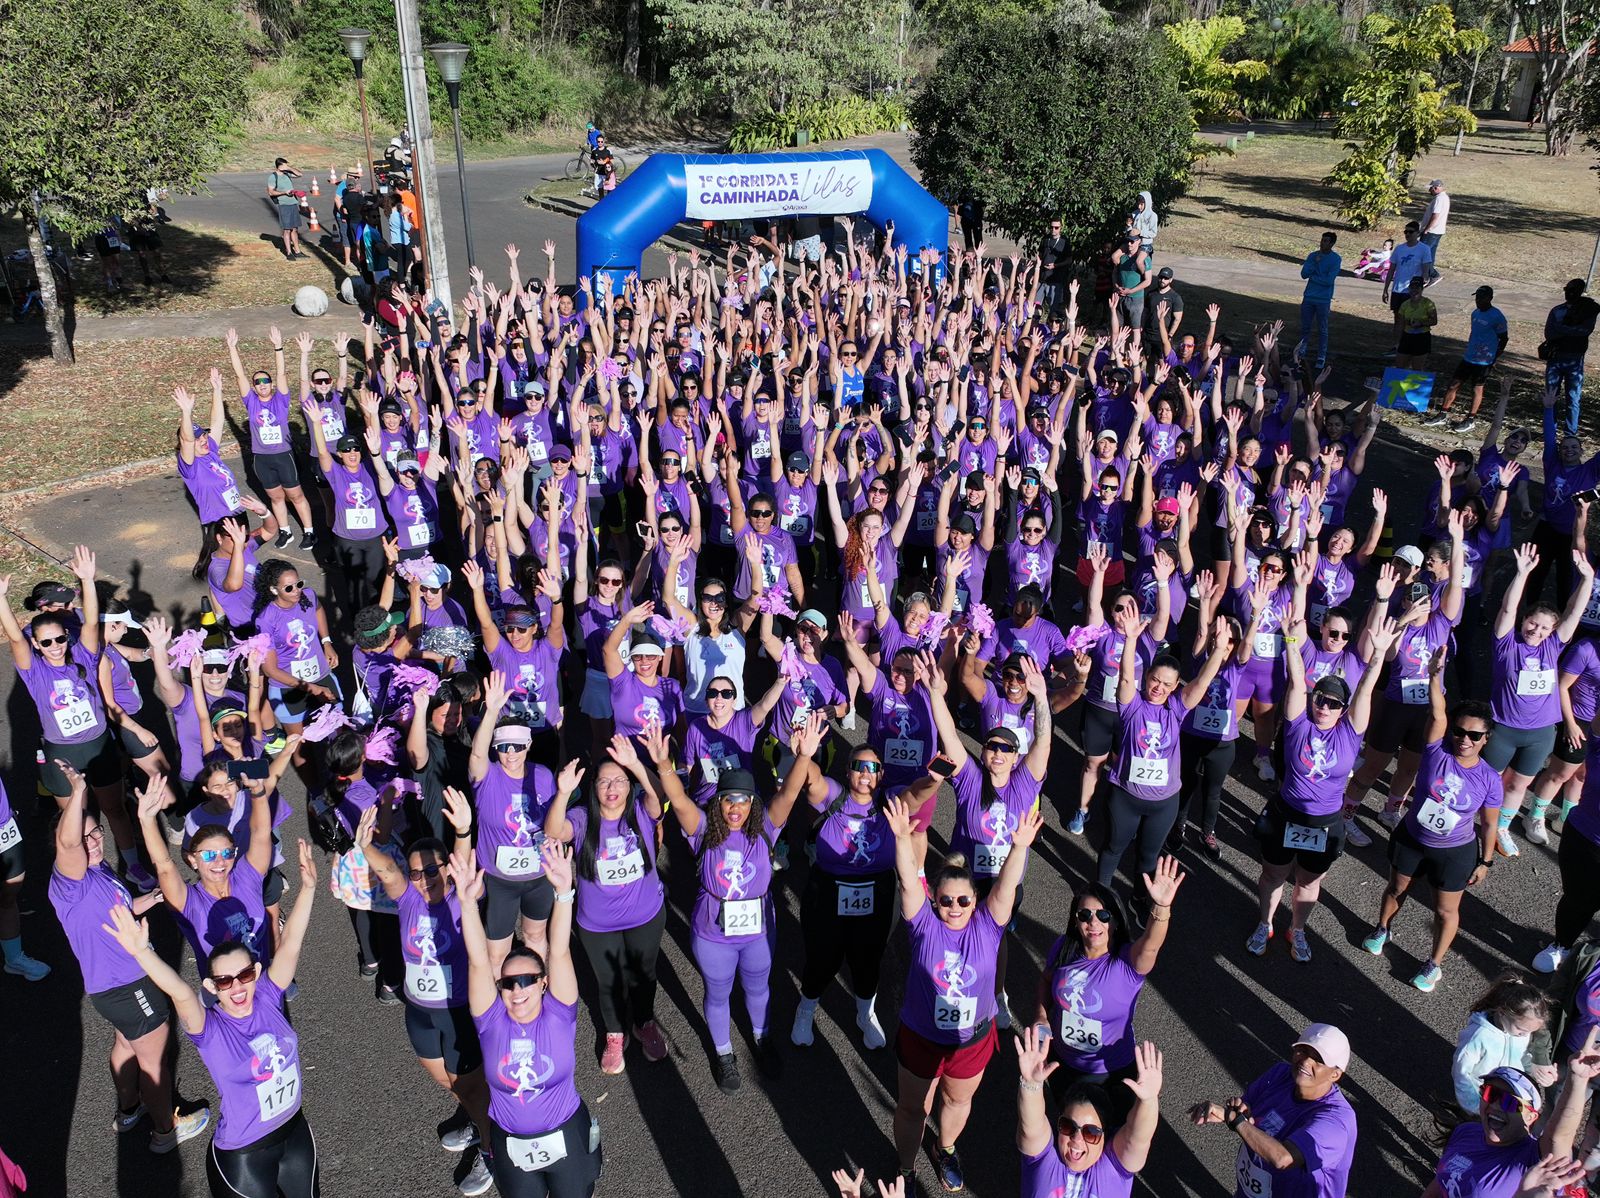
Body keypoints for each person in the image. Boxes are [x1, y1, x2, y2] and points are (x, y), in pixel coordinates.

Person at [103, 835, 318, 1197]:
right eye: (224, 980)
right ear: (212, 986)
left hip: (296, 1136)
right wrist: (141, 953)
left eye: (245, 975)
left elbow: (293, 940)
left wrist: (309, 887)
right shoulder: (212, 1029)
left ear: (257, 972)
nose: (237, 987)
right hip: (243, 1156)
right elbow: (181, 992)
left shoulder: (267, 995)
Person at [884, 792, 1041, 1194]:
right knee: (912, 1107)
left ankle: (945, 1147)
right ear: (934, 901)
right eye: (947, 900)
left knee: (956, 1101)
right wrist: (903, 840)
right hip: (921, 1037)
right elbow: (907, 880)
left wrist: (1019, 846)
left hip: (971, 1041)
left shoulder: (988, 928)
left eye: (964, 900)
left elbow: (1005, 889)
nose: (955, 906)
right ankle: (906, 1170)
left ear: (976, 902)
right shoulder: (922, 925)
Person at [49, 761, 211, 1151]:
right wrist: (78, 791)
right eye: (84, 837)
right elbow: (68, 844)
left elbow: (117, 907)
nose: (93, 841)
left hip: (111, 991)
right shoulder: (71, 884)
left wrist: (153, 898)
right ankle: (165, 1131)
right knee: (155, 1063)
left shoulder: (98, 873)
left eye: (96, 832)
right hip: (129, 985)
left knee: (126, 1045)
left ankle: (129, 1110)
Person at [648, 721, 805, 1091]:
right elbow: (681, 800)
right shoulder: (702, 828)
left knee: (759, 988)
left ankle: (762, 1038)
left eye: (744, 800)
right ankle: (723, 1053)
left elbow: (792, 792)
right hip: (714, 933)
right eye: (728, 799)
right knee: (718, 993)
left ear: (754, 803)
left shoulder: (767, 825)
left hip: (758, 931)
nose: (735, 808)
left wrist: (806, 755)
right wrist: (663, 765)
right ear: (718, 802)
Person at [356, 790, 495, 1197]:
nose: (425, 879)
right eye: (417, 873)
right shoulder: (407, 900)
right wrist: (364, 843)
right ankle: (477, 1117)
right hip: (419, 1013)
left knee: (469, 1085)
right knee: (455, 1085)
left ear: (447, 870)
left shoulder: (462, 897)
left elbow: (463, 857)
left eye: (432, 870)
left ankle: (492, 1152)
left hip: (457, 1013)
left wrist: (464, 830)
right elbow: (385, 869)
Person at [451, 839, 604, 1198]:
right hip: (510, 1143)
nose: (517, 990)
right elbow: (477, 961)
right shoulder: (491, 1021)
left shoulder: (559, 1014)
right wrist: (467, 904)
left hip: (567, 1135)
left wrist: (564, 893)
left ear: (543, 983)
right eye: (508, 982)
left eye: (526, 981)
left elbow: (561, 949)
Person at [1248, 614, 1397, 962]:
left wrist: (1378, 656)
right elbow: (1298, 680)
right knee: (1274, 874)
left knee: (1309, 883)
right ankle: (1265, 922)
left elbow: (1366, 689)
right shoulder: (1298, 722)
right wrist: (1289, 641)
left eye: (1333, 703)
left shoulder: (1349, 732)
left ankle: (1296, 929)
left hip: (1324, 823)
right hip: (1286, 814)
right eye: (1320, 699)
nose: (1324, 706)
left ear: (1344, 710)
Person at [1359, 648, 1503, 992]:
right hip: (1411, 837)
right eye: (1460, 731)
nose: (1464, 739)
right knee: (1395, 888)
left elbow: (1489, 823)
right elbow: (1437, 710)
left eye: (1474, 735)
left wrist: (1485, 860)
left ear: (1486, 739)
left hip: (1453, 852)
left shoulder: (1489, 779)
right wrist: (1436, 674)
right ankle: (1383, 929)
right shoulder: (1437, 749)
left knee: (1444, 911)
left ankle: (1434, 964)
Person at [543, 738, 670, 1075]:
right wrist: (561, 792)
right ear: (593, 787)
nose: (612, 788)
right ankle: (615, 1033)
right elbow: (553, 830)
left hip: (645, 916)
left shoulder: (641, 810)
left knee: (643, 977)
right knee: (609, 981)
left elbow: (661, 799)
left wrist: (638, 766)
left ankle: (644, 1023)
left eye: (619, 780)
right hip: (597, 924)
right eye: (603, 781)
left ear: (629, 786)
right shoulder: (582, 818)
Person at [1034, 860, 1183, 1128]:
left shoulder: (1127, 963)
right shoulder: (1064, 947)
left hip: (1110, 1073)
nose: (1094, 923)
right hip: (1062, 1064)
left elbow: (1151, 944)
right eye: (1084, 915)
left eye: (1103, 916)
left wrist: (1161, 906)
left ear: (1114, 921)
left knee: (1107, 1132)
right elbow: (1046, 980)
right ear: (1075, 920)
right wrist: (1042, 1017)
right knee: (1069, 1126)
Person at [1483, 544, 1593, 858]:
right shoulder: (1507, 644)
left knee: (1519, 784)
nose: (1537, 630)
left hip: (1541, 733)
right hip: (1503, 728)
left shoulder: (1553, 647)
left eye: (1545, 627)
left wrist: (1586, 580)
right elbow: (1507, 609)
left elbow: (1573, 613)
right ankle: (1471, 820)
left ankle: (1501, 828)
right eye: (1533, 623)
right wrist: (1521, 574)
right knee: (1489, 781)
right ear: (1523, 621)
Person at [1187, 1024, 1358, 1198]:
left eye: (1319, 1060)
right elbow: (1248, 1113)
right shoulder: (1280, 1074)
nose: (1306, 1061)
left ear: (1335, 1074)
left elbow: (1283, 1159)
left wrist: (1237, 1121)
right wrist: (1239, 1112)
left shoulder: (1336, 1122)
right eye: (1303, 1051)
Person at [1015, 1029, 1164, 1198]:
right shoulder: (1045, 1159)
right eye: (1068, 1126)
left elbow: (1138, 1138)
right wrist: (1031, 1084)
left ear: (1105, 1134)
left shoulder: (1114, 1167)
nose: (1077, 1139)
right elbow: (1031, 1127)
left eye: (1090, 1132)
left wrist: (1149, 1100)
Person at [1427, 1058, 1595, 1198]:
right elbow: (1439, 1184)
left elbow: (1559, 1137)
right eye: (1490, 1093)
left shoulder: (1536, 1160)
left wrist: (1578, 1080)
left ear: (1531, 1117)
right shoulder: (1465, 1132)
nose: (1496, 1105)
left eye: (1511, 1102)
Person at [1451, 973, 1556, 1113]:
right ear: (1502, 1012)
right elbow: (1461, 1072)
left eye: (1530, 1032)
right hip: (1482, 1098)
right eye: (1521, 1029)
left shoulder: (1521, 1031)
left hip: (1508, 1096)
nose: (1525, 1035)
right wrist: (1474, 1106)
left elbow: (1523, 1060)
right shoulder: (1478, 1036)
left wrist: (1538, 1072)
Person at [1423, 286, 1509, 433]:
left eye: (1481, 298)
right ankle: (1443, 413)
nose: (1478, 301)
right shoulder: (1475, 313)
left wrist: (1494, 357)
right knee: (1453, 385)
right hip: (1469, 357)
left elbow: (1504, 338)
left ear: (1489, 298)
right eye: (1476, 298)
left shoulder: (1497, 316)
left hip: (1484, 361)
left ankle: (1470, 419)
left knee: (1476, 389)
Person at [1544, 277, 1600, 437]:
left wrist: (1563, 329)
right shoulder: (1557, 310)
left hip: (1575, 360)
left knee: (1573, 398)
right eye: (1567, 290)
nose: (1569, 293)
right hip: (1556, 357)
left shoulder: (1588, 309)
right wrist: (1570, 331)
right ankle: (1550, 430)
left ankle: (1570, 433)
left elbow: (1585, 331)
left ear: (1580, 292)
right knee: (1551, 396)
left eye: (1573, 291)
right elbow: (1549, 333)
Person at [1298, 232, 1341, 370]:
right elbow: (1304, 274)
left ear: (1332, 243)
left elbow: (1329, 281)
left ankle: (1321, 355)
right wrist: (1314, 265)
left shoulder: (1335, 259)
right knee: (1305, 326)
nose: (1323, 243)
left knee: (1322, 328)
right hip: (1309, 297)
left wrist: (1315, 276)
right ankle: (1301, 350)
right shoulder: (1313, 256)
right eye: (1322, 240)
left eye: (1326, 241)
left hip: (1323, 299)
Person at [1383, 221, 1435, 336]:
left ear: (1417, 233)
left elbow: (1425, 271)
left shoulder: (1424, 249)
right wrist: (1386, 289)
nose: (1407, 234)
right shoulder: (1399, 249)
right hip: (1397, 289)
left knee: (1410, 318)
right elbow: (1391, 269)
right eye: (1405, 232)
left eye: (1410, 232)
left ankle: (1407, 344)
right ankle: (1396, 346)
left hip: (1412, 291)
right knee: (1397, 318)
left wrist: (1421, 288)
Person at [267, 157, 305, 261]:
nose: (286, 167)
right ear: (279, 166)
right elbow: (271, 192)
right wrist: (284, 193)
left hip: (293, 203)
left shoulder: (287, 173)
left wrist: (289, 168)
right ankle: (289, 252)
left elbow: (300, 174)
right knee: (287, 229)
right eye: (284, 165)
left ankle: (297, 251)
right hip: (284, 205)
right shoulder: (273, 177)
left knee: (295, 229)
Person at [1420, 178, 1450, 265]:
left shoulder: (1439, 199)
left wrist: (1427, 229)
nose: (1429, 191)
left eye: (1431, 188)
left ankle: (1432, 274)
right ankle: (1429, 276)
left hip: (1431, 231)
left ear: (1436, 188)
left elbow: (1435, 216)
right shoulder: (1445, 197)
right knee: (1430, 254)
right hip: (1438, 231)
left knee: (1423, 253)